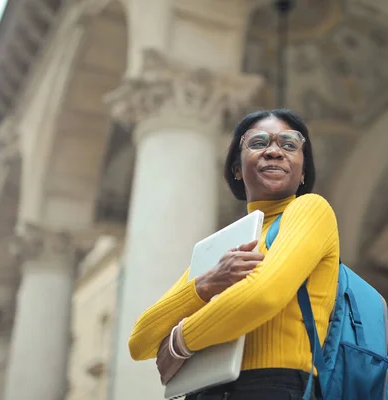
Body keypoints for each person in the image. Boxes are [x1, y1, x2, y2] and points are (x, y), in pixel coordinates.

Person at [128, 109, 339, 400]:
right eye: (258, 142)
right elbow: (140, 341)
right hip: (205, 392)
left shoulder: (310, 210)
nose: (275, 151)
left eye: (289, 144)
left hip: (274, 387)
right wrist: (205, 285)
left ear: (303, 171)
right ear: (237, 168)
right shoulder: (226, 244)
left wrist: (180, 342)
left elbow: (262, 296)